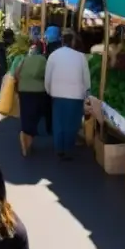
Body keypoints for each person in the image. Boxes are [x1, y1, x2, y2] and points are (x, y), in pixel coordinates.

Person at [44, 31, 91, 159]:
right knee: (72, 123)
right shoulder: (81, 57)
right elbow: (86, 78)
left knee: (59, 122)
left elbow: (47, 76)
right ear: (73, 42)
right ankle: (68, 149)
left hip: (57, 94)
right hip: (76, 96)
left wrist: (49, 90)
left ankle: (59, 148)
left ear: (62, 42)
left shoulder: (53, 55)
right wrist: (87, 93)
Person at [14, 42, 48, 156]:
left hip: (23, 91)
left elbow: (16, 74)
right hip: (38, 92)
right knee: (35, 116)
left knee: (26, 114)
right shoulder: (43, 60)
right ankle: (28, 140)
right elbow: (46, 76)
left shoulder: (24, 59)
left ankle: (25, 136)